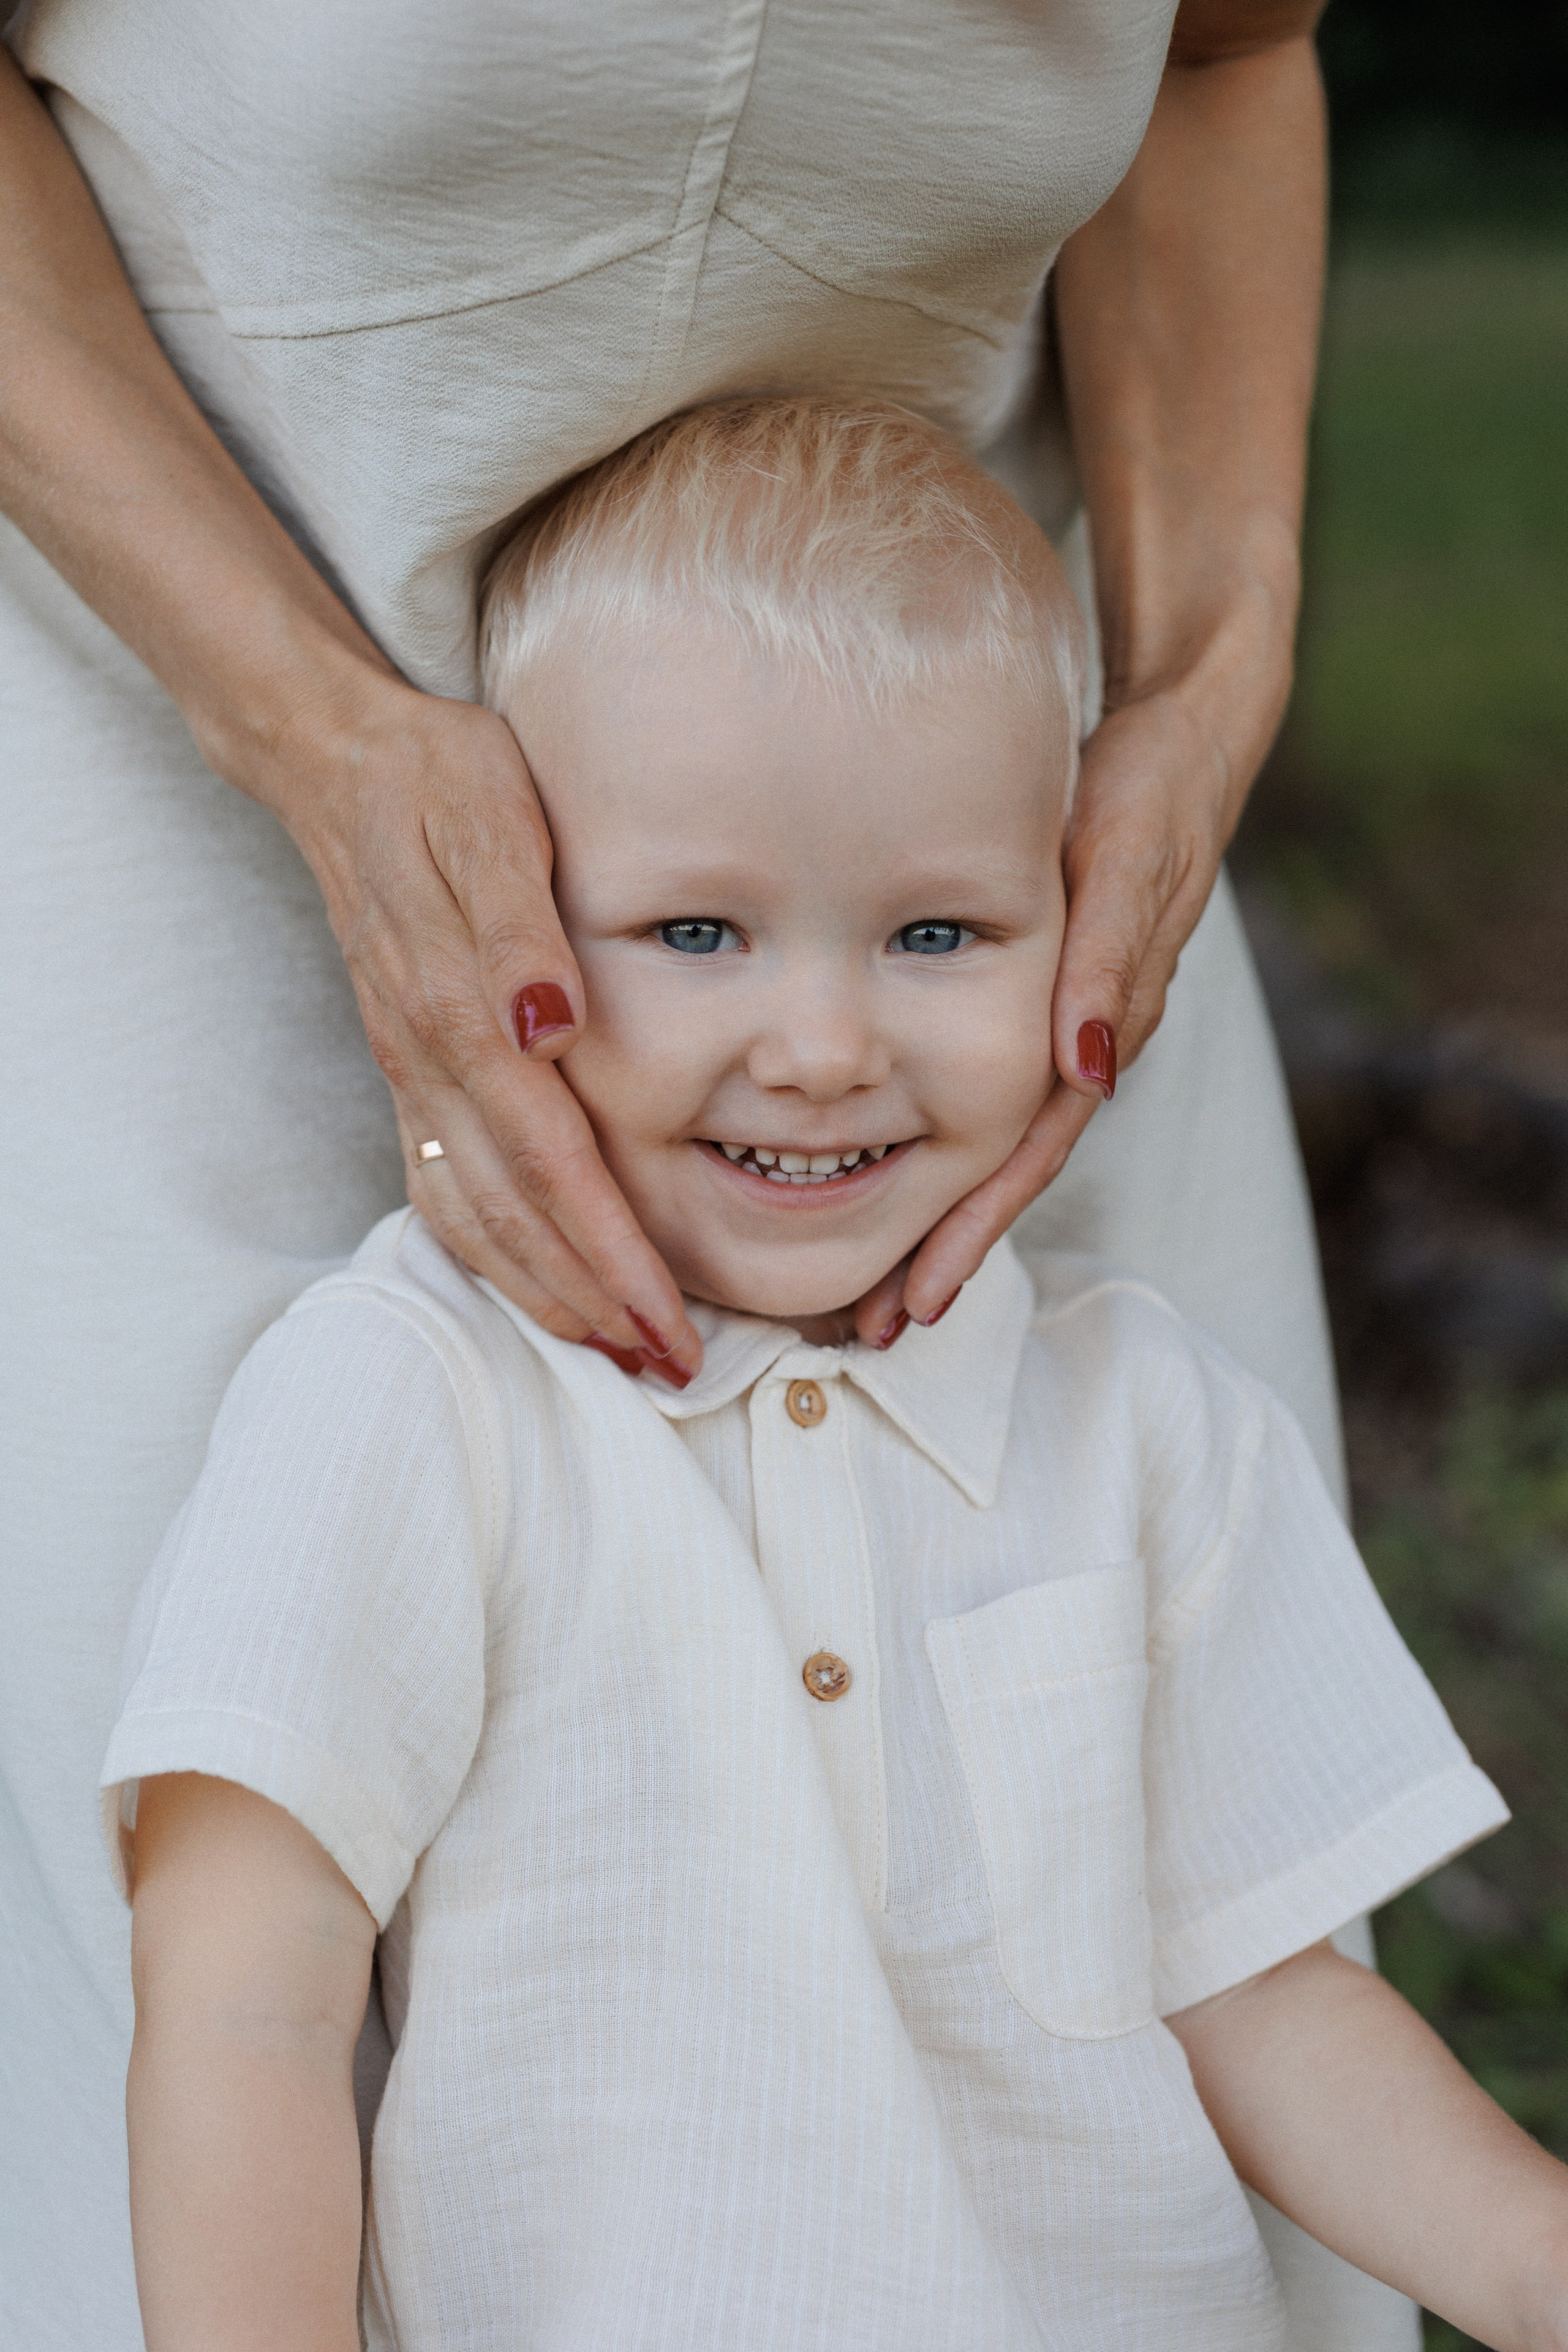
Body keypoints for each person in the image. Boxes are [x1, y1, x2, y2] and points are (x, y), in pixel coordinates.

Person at [0, 6, 1380, 2345]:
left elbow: (1231, 61)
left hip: (953, 815)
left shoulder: (1078, 1305)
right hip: (184, 736)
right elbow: (236, 2006)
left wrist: (1199, 692)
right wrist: (328, 752)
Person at [111, 402, 1551, 2352]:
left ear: (1080, 923)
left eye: (937, 932)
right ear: (515, 920)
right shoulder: (412, 1398)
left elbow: (1272, 1999)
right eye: (694, 930)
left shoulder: (1145, 1419)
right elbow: (243, 2003)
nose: (816, 1043)